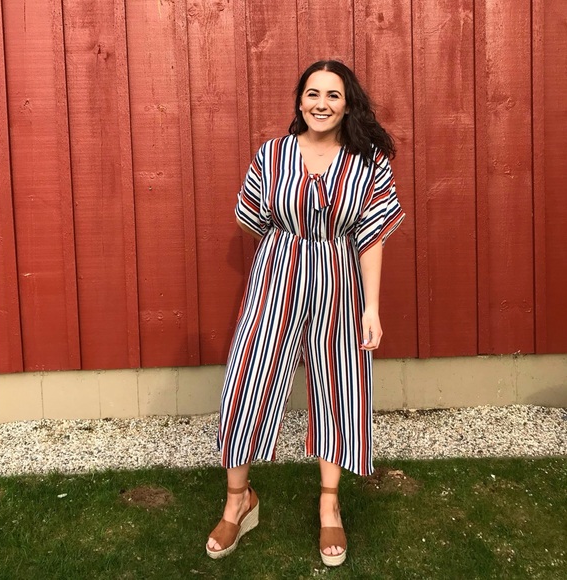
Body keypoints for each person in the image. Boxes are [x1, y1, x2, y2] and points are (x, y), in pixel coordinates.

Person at [206, 60, 405, 566]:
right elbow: (251, 218)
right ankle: (237, 500)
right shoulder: (271, 155)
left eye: (333, 95)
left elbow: (373, 237)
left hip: (339, 279)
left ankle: (329, 504)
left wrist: (372, 307)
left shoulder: (367, 161)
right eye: (313, 93)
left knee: (340, 387)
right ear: (299, 101)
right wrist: (290, 241)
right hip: (277, 274)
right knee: (247, 380)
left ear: (347, 104)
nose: (322, 103)